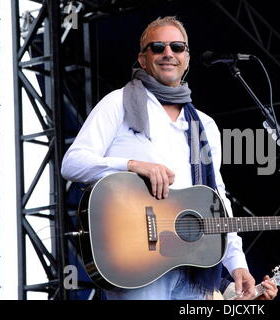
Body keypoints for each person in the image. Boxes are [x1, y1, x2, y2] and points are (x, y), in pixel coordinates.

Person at [61, 16, 256, 300]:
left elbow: (218, 201)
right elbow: (73, 163)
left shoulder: (204, 125)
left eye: (177, 47)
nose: (168, 53)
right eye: (157, 47)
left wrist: (237, 263)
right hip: (138, 260)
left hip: (191, 265)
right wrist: (131, 166)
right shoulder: (118, 103)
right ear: (142, 59)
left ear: (187, 58)